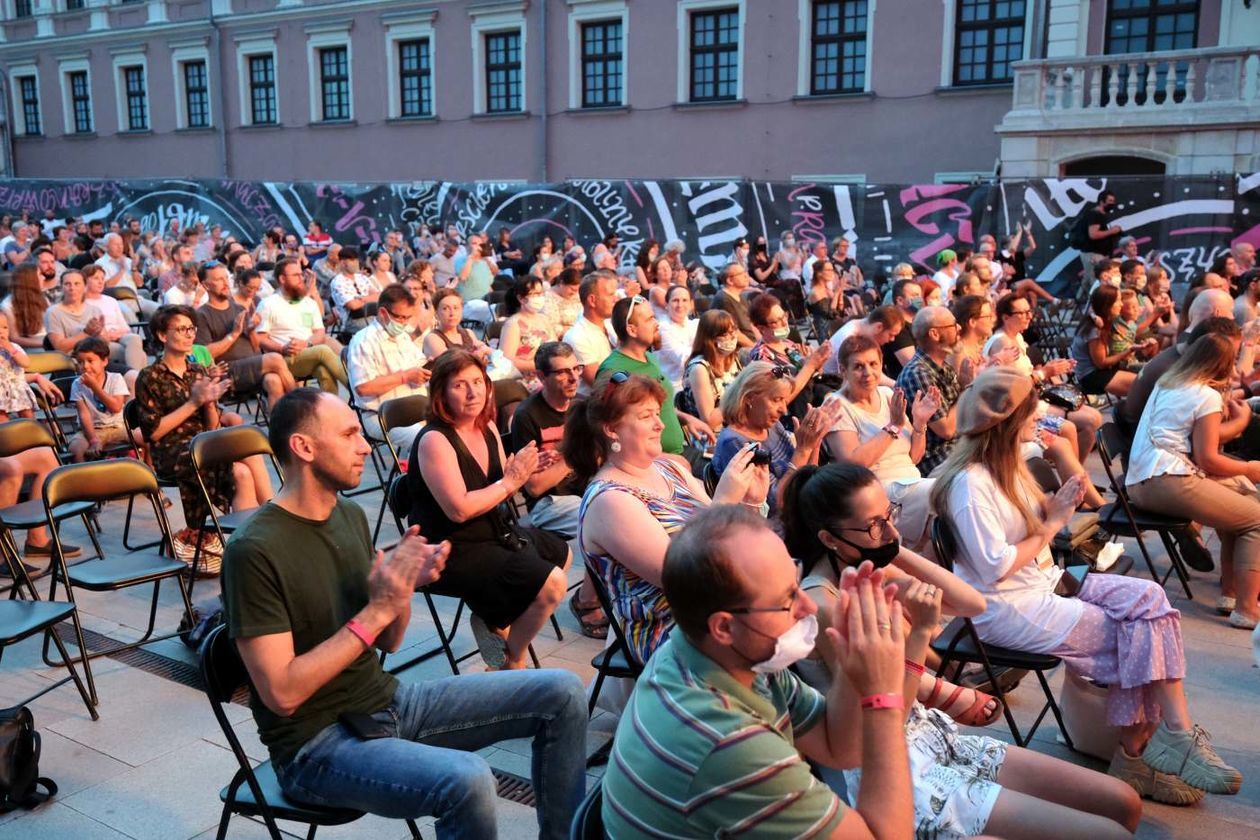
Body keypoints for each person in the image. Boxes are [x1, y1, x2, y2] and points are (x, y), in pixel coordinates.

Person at [223, 388, 585, 839]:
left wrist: (402, 587)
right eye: (350, 433)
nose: (364, 444)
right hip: (316, 746)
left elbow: (389, 642)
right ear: (304, 447)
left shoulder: (349, 514)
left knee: (564, 692)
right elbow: (282, 694)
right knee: (467, 779)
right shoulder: (254, 551)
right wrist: (376, 611)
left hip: (385, 702)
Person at [932, 365, 1243, 801]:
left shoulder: (1009, 466)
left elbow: (1058, 512)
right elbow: (993, 567)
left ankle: (1165, 739)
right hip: (1004, 606)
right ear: (1005, 423)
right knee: (1131, 634)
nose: (1039, 415)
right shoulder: (971, 484)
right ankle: (1138, 755)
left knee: (1151, 599)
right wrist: (1050, 523)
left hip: (1043, 582)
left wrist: (1060, 491)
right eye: (1030, 410)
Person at [781, 463, 1142, 839]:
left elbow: (970, 603)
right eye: (875, 525)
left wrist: (893, 549)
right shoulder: (823, 605)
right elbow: (888, 718)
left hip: (936, 737)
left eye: (890, 514)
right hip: (897, 768)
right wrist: (921, 632)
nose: (891, 529)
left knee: (1123, 802)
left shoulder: (862, 567)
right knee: (1110, 833)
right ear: (829, 538)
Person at [602, 504, 914, 838]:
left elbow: (839, 747)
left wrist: (855, 667)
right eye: (788, 599)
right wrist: (883, 693)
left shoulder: (719, 653)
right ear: (724, 627)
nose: (808, 606)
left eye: (797, 584)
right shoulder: (727, 744)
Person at [565, 373, 769, 666]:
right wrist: (724, 500)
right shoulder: (610, 500)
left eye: (657, 414)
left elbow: (725, 538)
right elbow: (680, 577)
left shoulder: (668, 469)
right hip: (671, 630)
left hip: (718, 605)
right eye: (646, 416)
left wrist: (751, 501)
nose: (660, 424)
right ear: (611, 429)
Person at [407, 350, 570, 670]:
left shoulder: (486, 427)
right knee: (551, 583)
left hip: (495, 531)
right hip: (450, 548)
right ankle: (514, 657)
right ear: (440, 392)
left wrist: (526, 467)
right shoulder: (434, 440)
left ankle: (493, 615)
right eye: (460, 385)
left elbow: (500, 480)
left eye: (478, 382)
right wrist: (511, 482)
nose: (472, 392)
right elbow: (458, 510)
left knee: (562, 554)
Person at [1127, 333, 1260, 630]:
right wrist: (1251, 467)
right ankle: (1248, 609)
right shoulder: (1205, 395)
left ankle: (1231, 593)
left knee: (1245, 500)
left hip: (1143, 480)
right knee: (1256, 519)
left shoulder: (1170, 382)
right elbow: (1208, 459)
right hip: (1167, 480)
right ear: (1223, 364)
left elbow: (1203, 441)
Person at [135, 305, 274, 567]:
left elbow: (211, 427)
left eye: (191, 329)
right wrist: (194, 402)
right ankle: (271, 521)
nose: (189, 335)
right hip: (173, 451)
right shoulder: (149, 376)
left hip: (203, 443)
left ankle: (251, 543)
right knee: (241, 454)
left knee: (245, 461)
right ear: (163, 335)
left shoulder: (197, 370)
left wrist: (210, 403)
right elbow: (152, 434)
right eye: (181, 329)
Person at [507, 341, 608, 639]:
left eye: (575, 369)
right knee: (602, 523)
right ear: (541, 376)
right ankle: (586, 600)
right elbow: (535, 485)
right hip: (548, 503)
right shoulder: (527, 416)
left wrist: (571, 457)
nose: (574, 378)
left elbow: (599, 458)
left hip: (585, 490)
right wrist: (570, 454)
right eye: (562, 372)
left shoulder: (580, 407)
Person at [825, 335, 941, 550]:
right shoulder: (837, 404)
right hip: (879, 493)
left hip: (912, 483)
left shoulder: (887, 394)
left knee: (962, 482)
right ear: (843, 370)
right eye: (858, 367)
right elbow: (853, 465)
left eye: (873, 364)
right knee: (945, 493)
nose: (868, 373)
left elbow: (913, 458)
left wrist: (920, 423)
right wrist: (892, 427)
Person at [986, 291, 1104, 463]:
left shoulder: (1017, 336)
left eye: (1029, 311)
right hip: (1020, 407)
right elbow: (1012, 388)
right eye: (1022, 313)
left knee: (1095, 417)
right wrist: (1045, 372)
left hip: (1033, 398)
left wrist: (1053, 369)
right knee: (1089, 420)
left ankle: (1074, 471)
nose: (1029, 316)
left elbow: (1028, 374)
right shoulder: (1002, 343)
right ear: (1005, 317)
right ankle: (1073, 473)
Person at [596, 295, 713, 458]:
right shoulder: (613, 370)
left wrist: (686, 418)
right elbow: (611, 429)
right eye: (650, 319)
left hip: (678, 453)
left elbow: (659, 407)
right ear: (632, 329)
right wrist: (659, 460)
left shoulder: (649, 357)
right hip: (654, 463)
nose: (656, 324)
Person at [710, 362, 835, 514]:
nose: (784, 410)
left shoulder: (770, 425)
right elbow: (777, 504)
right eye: (776, 400)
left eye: (785, 400)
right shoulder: (735, 443)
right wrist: (802, 450)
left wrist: (814, 441)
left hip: (801, 505)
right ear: (749, 398)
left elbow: (809, 476)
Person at [194, 262, 295, 410]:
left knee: (274, 381)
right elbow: (205, 354)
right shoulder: (202, 315)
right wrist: (233, 334)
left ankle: (278, 429)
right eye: (218, 279)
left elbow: (255, 346)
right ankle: (303, 405)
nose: (225, 283)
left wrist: (252, 330)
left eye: (226, 278)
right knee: (275, 358)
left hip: (251, 366)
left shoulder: (239, 308)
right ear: (206, 285)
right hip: (226, 372)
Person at [346, 284, 431, 455]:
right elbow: (363, 388)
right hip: (382, 416)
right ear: (383, 313)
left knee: (455, 429)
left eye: (408, 318)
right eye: (400, 318)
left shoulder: (403, 336)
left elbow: (418, 363)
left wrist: (429, 366)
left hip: (416, 409)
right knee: (428, 442)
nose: (405, 323)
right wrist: (405, 377)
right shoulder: (364, 341)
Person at [256, 257, 349, 394]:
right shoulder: (268, 304)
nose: (301, 278)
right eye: (295, 275)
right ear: (282, 279)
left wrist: (306, 344)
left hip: (308, 354)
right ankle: (356, 389)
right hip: (282, 359)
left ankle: (330, 409)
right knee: (323, 350)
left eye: (301, 274)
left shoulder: (308, 303)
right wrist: (282, 348)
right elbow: (260, 338)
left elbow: (319, 332)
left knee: (324, 371)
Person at [895, 306, 967, 476]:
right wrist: (967, 389)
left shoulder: (942, 365)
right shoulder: (918, 373)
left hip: (959, 446)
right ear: (935, 334)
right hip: (937, 457)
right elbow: (947, 430)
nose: (959, 328)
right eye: (953, 325)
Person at [67, 336, 133, 462]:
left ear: (104, 361)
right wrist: (93, 440)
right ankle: (83, 478)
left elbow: (116, 407)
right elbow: (84, 415)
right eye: (80, 362)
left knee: (144, 435)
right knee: (75, 448)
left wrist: (95, 387)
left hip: (118, 426)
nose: (85, 366)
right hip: (93, 430)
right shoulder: (77, 384)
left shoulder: (116, 378)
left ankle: (149, 468)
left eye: (90, 361)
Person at [677, 309, 742, 430]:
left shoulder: (734, 360)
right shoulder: (699, 369)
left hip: (738, 428)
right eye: (725, 334)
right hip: (713, 437)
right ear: (710, 339)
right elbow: (709, 420)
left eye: (733, 331)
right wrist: (740, 395)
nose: (733, 337)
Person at [1072, 285, 1138, 397]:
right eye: (1118, 301)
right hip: (1091, 376)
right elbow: (1101, 363)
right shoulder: (1094, 330)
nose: (1121, 304)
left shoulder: (1101, 318)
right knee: (1139, 384)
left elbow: (1091, 308)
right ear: (1107, 305)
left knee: (1147, 375)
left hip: (1104, 370)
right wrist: (1129, 351)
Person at [498, 275, 555, 381]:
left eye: (541, 293)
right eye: (535, 294)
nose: (540, 297)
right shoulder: (513, 324)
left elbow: (555, 347)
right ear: (521, 298)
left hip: (548, 374)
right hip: (526, 378)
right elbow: (507, 360)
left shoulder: (544, 319)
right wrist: (540, 366)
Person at [422, 288, 493, 363]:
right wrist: (478, 355)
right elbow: (451, 365)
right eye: (445, 308)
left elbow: (488, 352)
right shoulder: (432, 338)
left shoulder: (468, 333)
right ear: (436, 314)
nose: (452, 313)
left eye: (456, 308)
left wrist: (485, 350)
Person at [1072, 190, 1122, 290]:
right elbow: (1093, 234)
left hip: (1099, 254)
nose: (1112, 203)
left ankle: (1078, 301)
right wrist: (1112, 231)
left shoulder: (1102, 216)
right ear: (1102, 202)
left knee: (1087, 281)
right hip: (1093, 255)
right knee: (1096, 281)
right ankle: (1094, 303)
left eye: (1113, 201)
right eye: (1110, 201)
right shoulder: (1095, 214)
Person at [329, 248, 383, 335]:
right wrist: (369, 299)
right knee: (377, 332)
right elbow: (353, 305)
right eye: (353, 261)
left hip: (373, 316)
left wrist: (361, 299)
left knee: (390, 327)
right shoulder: (338, 282)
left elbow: (379, 296)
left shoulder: (361, 277)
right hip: (352, 321)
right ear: (343, 263)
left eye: (357, 260)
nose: (356, 263)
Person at [654, 284, 697, 389]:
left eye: (684, 300)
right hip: (672, 387)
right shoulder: (662, 328)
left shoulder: (695, 324)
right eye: (675, 300)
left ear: (691, 304)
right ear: (667, 305)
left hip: (694, 382)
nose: (680, 305)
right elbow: (685, 359)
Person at [3, 264, 49, 350]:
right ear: (30, 280)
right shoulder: (7, 306)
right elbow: (14, 338)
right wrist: (45, 343)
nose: (44, 278)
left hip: (49, 341)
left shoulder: (43, 297)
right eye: (40, 274)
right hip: (30, 349)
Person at [883, 278, 922, 379]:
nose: (919, 299)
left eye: (920, 295)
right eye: (914, 295)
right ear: (900, 300)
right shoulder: (899, 329)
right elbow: (913, 367)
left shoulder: (917, 323)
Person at [711, 262, 757, 346]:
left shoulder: (740, 297)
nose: (746, 276)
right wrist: (755, 349)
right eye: (741, 274)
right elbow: (735, 334)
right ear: (730, 281)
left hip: (751, 344)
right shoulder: (724, 300)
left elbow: (752, 325)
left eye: (745, 272)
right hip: (738, 348)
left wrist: (762, 344)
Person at [541, 266, 582, 337]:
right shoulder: (548, 298)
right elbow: (551, 326)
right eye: (572, 289)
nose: (575, 293)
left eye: (577, 290)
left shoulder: (577, 295)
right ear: (561, 284)